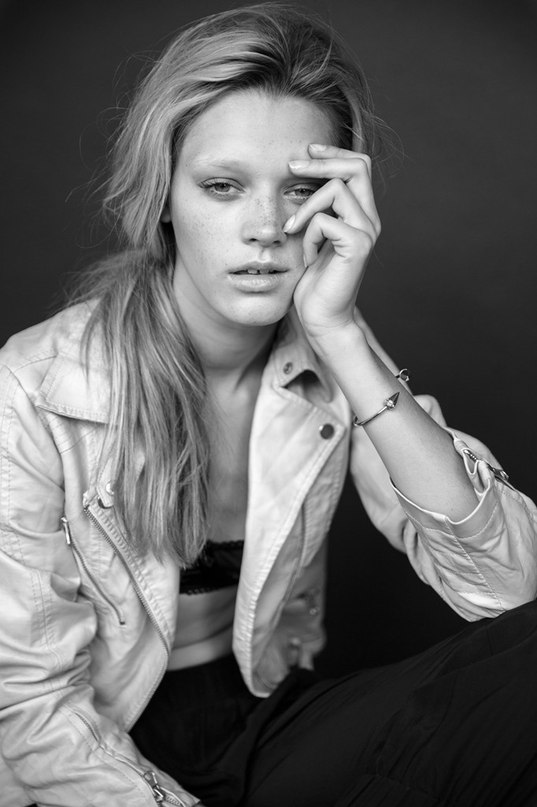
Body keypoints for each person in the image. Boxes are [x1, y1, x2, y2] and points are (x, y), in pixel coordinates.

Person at [1, 4, 537, 806]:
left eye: (299, 190)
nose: (265, 228)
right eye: (222, 186)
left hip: (265, 718)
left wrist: (341, 334)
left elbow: (509, 586)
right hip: (94, 747)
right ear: (163, 197)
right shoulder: (35, 385)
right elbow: (31, 703)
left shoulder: (329, 353)